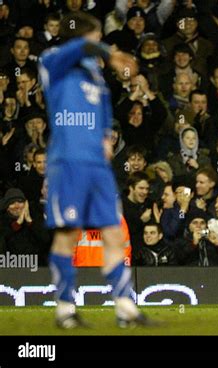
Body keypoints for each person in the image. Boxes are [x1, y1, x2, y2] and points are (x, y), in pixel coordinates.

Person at [39, 12, 155, 328]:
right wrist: (110, 53)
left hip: (97, 166)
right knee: (68, 234)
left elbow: (103, 111)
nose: (100, 42)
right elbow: (77, 50)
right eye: (96, 37)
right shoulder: (52, 61)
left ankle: (125, 308)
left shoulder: (94, 74)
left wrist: (105, 138)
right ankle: (65, 309)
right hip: (68, 162)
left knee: (114, 233)